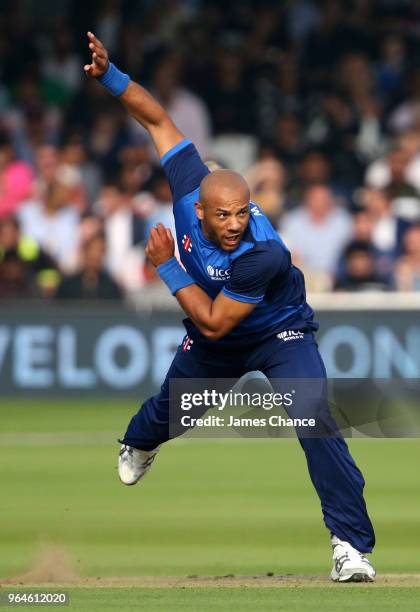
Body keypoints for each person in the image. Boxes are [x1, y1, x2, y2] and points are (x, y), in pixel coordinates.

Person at [84, 31, 376, 583]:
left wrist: (167, 268)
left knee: (314, 419)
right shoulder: (188, 181)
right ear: (199, 207)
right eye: (225, 217)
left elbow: (215, 323)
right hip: (216, 333)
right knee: (174, 414)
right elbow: (157, 119)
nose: (235, 225)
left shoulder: (263, 254)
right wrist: (110, 76)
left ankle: (350, 546)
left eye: (243, 214)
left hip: (278, 330)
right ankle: (140, 442)